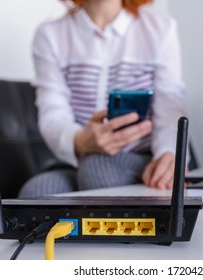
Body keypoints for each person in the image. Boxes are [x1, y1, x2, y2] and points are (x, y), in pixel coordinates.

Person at [18, 0, 186, 198]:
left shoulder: (160, 29)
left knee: (98, 169)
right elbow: (52, 113)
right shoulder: (50, 35)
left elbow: (169, 108)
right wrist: (80, 140)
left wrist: (169, 154)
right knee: (36, 193)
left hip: (141, 157)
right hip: (80, 160)